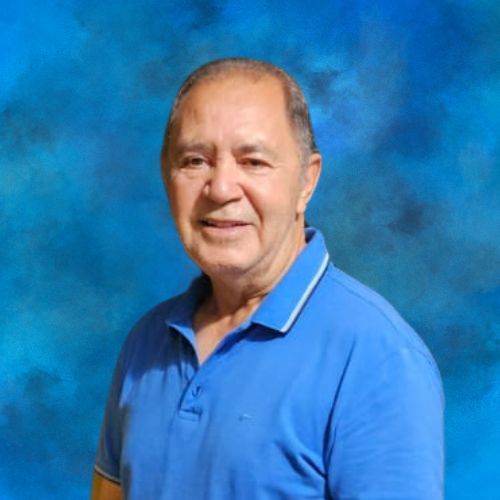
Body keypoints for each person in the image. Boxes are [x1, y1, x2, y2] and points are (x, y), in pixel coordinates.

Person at [91, 57, 444, 499]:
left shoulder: (378, 359)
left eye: (253, 161)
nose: (221, 188)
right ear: (167, 174)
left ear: (306, 181)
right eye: (195, 161)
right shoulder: (147, 342)